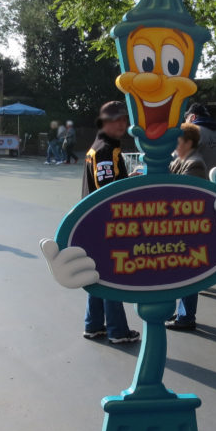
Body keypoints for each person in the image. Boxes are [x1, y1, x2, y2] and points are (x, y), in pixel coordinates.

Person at [166, 105, 216, 331]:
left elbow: (176, 165)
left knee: (185, 261)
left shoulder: (193, 136)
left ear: (192, 118)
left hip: (191, 205)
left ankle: (185, 315)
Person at [82, 101, 139, 344]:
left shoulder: (98, 146)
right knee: (110, 276)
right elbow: (107, 191)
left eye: (123, 120)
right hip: (106, 222)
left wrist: (128, 178)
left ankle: (94, 325)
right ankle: (117, 330)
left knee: (97, 275)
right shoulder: (107, 149)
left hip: (92, 221)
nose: (122, 125)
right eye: (117, 120)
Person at [184, 103, 216, 170]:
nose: (185, 122)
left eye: (186, 119)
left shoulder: (190, 132)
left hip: (193, 179)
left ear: (192, 117)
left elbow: (176, 161)